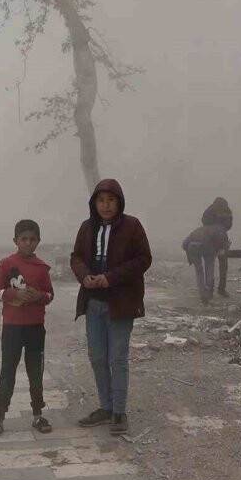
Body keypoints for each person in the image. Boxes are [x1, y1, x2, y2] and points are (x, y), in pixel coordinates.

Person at [71, 179, 152, 435]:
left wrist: (111, 277)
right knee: (97, 357)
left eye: (111, 200)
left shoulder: (132, 226)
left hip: (120, 304)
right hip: (93, 303)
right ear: (94, 203)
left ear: (119, 202)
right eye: (101, 200)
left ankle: (119, 412)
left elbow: (143, 259)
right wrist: (84, 275)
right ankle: (105, 407)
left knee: (117, 358)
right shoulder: (87, 227)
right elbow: (76, 257)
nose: (106, 205)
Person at [0, 220, 54, 440]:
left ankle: (37, 414)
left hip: (35, 328)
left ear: (38, 242)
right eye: (24, 239)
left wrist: (39, 297)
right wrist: (13, 295)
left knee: (36, 372)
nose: (28, 243)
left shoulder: (42, 268)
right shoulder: (6, 264)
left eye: (32, 239)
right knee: (7, 372)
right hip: (12, 328)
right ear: (15, 241)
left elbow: (50, 295)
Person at [182, 223, 229, 304]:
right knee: (209, 269)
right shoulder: (218, 229)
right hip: (208, 247)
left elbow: (184, 244)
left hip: (193, 247)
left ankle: (202, 294)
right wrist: (222, 248)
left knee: (199, 271)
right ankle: (208, 292)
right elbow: (222, 242)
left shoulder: (198, 230)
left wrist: (190, 256)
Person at [201, 197, 233, 297]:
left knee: (211, 265)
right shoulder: (224, 210)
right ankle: (220, 290)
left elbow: (205, 222)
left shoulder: (210, 210)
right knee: (222, 266)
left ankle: (212, 290)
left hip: (213, 240)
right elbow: (228, 225)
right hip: (219, 240)